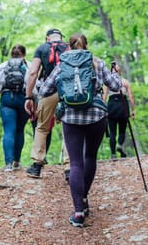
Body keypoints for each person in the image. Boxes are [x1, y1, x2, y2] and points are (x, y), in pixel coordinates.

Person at [39, 33, 122, 227]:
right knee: (90, 157)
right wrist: (116, 72)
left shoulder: (62, 64)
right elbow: (116, 86)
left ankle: (78, 213)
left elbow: (44, 90)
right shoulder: (97, 62)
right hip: (96, 115)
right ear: (87, 45)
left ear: (69, 46)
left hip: (70, 116)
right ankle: (83, 198)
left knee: (75, 163)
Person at [24, 29, 70, 179]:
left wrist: (28, 97)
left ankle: (37, 166)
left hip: (48, 91)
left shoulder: (41, 48)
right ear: (61, 37)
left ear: (47, 38)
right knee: (68, 128)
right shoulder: (69, 47)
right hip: (68, 92)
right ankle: (69, 167)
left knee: (42, 128)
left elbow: (33, 73)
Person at [0, 44, 30, 172]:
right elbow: (34, 88)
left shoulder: (3, 66)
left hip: (7, 98)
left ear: (11, 54)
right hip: (24, 99)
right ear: (23, 54)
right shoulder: (28, 65)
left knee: (8, 130)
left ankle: (8, 164)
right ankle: (16, 162)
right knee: (20, 130)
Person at [103, 61, 135, 159]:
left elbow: (104, 97)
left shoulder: (107, 83)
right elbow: (131, 97)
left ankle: (113, 154)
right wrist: (133, 110)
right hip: (123, 105)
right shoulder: (125, 81)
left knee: (112, 132)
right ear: (119, 71)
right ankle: (120, 145)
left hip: (112, 106)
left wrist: (103, 110)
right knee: (122, 130)